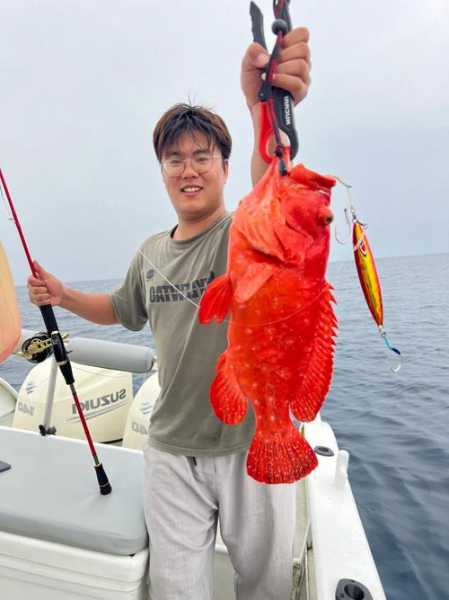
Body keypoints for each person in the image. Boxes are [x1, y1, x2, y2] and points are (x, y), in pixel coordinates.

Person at [28, 28, 311, 600]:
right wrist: (62, 295)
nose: (189, 169)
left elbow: (272, 189)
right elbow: (121, 309)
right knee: (177, 591)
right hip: (170, 448)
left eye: (202, 157)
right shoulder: (151, 252)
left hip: (251, 442)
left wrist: (265, 106)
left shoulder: (245, 235)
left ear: (225, 168)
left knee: (268, 589)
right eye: (174, 159)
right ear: (161, 171)